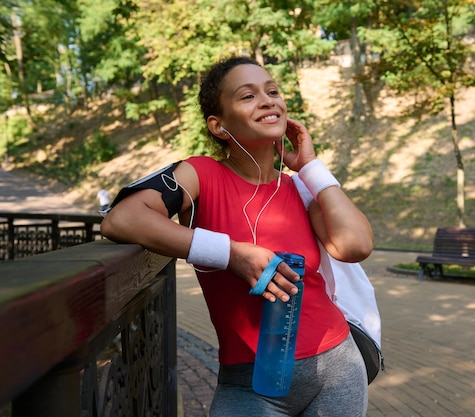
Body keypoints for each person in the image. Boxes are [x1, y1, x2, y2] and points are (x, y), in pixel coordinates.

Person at [101, 56, 374, 416]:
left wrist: (311, 167)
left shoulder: (298, 187)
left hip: (337, 369)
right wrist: (230, 253)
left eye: (273, 91)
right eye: (247, 96)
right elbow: (122, 219)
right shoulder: (200, 173)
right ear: (218, 125)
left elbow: (356, 245)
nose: (267, 100)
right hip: (250, 384)